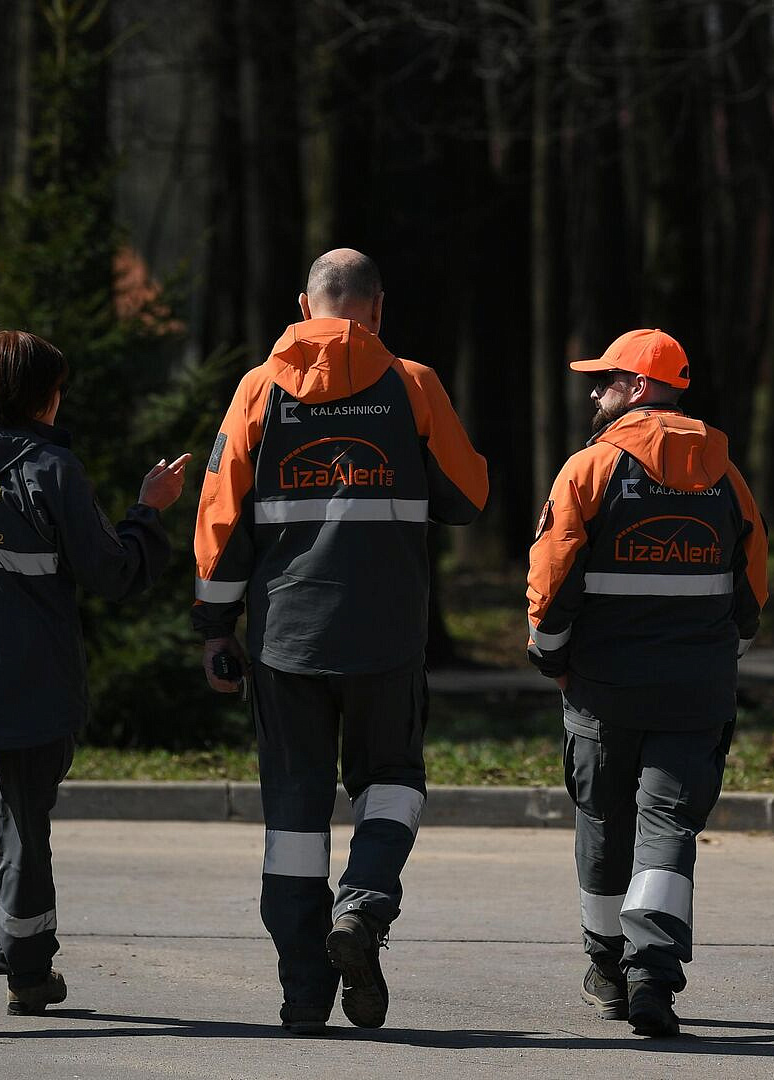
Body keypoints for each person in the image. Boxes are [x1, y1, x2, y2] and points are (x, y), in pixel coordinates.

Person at [192, 249, 490, 1035]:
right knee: (392, 778)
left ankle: (303, 994)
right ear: (377, 309)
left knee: (293, 816)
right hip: (388, 634)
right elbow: (468, 498)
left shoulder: (259, 388)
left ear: (302, 306)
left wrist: (214, 627)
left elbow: (220, 525)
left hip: (286, 638)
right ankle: (362, 905)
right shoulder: (414, 384)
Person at [0, 329, 191, 1033]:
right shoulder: (50, 469)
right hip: (28, 684)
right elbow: (112, 572)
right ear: (39, 397)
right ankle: (26, 973)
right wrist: (149, 509)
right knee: (26, 825)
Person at [527, 328, 767, 1038]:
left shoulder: (591, 468)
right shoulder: (725, 472)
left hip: (604, 687)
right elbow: (750, 583)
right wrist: (723, 655)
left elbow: (552, 576)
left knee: (603, 821)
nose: (595, 393)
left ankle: (606, 969)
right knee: (668, 828)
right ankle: (653, 980)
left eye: (604, 381)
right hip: (695, 690)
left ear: (636, 387)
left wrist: (550, 655)